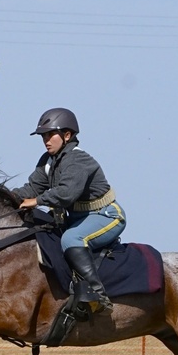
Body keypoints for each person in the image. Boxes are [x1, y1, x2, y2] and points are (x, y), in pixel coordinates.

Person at [12, 107, 126, 316]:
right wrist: (3, 197)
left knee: (71, 239)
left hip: (106, 216)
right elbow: (31, 189)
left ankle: (97, 296)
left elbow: (66, 194)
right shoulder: (47, 161)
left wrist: (36, 201)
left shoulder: (78, 160)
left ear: (67, 135)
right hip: (75, 218)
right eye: (43, 136)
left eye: (50, 135)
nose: (45, 140)